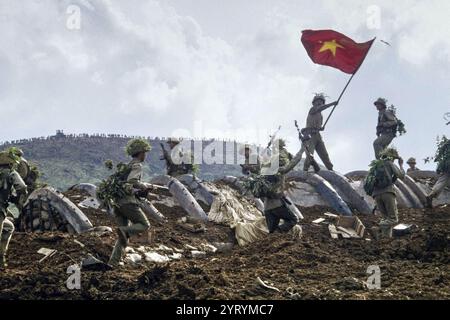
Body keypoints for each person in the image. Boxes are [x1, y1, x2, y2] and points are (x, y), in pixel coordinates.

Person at [108, 139, 153, 266]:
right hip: (128, 202)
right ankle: (124, 230)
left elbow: (125, 184)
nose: (145, 155)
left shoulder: (126, 167)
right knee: (144, 224)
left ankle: (113, 262)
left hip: (117, 204)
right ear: (141, 153)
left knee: (123, 237)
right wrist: (144, 186)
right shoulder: (137, 165)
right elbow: (133, 181)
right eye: (145, 152)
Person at [260, 139, 302, 238]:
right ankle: (277, 233)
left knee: (271, 233)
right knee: (293, 220)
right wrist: (302, 149)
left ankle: (273, 239)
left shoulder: (266, 169)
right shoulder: (279, 169)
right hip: (277, 204)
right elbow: (293, 162)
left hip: (267, 207)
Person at [0, 151, 28, 269]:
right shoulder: (11, 173)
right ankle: (1, 259)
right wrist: (16, 198)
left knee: (8, 227)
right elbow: (21, 187)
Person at [370, 148, 405, 238]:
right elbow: (401, 175)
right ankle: (378, 227)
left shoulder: (376, 165)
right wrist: (401, 165)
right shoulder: (389, 163)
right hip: (387, 193)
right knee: (393, 219)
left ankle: (385, 240)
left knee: (386, 219)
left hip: (376, 194)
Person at [303, 93, 337, 171]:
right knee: (310, 154)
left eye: (321, 102)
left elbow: (318, 126)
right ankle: (305, 171)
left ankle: (331, 170)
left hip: (317, 135)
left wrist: (320, 128)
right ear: (314, 102)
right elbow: (320, 108)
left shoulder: (320, 115)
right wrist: (332, 104)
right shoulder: (312, 109)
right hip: (310, 135)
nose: (319, 103)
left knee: (324, 155)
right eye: (317, 101)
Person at [426, 136, 450, 208]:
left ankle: (431, 194)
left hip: (446, 163)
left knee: (442, 181)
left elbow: (441, 150)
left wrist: (440, 162)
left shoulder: (448, 143)